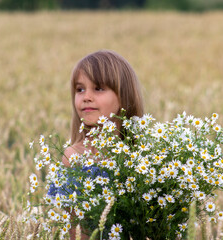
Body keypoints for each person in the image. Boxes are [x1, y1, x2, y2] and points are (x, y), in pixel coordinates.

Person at [62, 49, 144, 239]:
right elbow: (76, 231)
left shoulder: (144, 156)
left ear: (124, 96)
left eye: (98, 88)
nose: (86, 97)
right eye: (79, 89)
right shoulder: (73, 157)